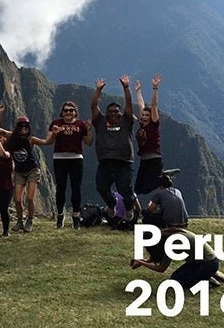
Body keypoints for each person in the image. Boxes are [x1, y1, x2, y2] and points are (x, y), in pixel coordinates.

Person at [0, 104, 47, 233]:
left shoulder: (30, 139)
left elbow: (46, 142)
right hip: (19, 172)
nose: (23, 128)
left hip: (32, 170)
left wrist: (54, 134)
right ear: (17, 127)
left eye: (25, 126)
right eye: (21, 126)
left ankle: (30, 220)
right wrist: (0, 113)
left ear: (28, 128)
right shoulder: (11, 137)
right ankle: (20, 220)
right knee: (17, 199)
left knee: (29, 198)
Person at [91, 75, 136, 222]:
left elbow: (129, 103)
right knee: (101, 187)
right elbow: (94, 106)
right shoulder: (100, 122)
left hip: (123, 162)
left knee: (125, 190)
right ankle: (112, 204)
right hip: (105, 162)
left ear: (120, 112)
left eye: (116, 111)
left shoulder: (126, 121)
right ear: (106, 113)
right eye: (110, 111)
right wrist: (98, 90)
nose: (113, 113)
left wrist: (126, 87)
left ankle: (129, 208)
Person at [131, 227, 224, 289]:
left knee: (178, 282)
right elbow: (160, 258)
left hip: (205, 264)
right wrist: (143, 261)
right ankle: (210, 273)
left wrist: (143, 263)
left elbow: (161, 269)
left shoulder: (171, 243)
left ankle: (207, 279)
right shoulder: (170, 234)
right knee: (176, 276)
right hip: (206, 261)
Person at [45, 101, 93, 229]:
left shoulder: (81, 124)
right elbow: (48, 141)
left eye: (71, 110)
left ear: (75, 112)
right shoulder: (56, 123)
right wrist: (54, 133)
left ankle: (76, 217)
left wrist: (88, 131)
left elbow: (89, 142)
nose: (68, 112)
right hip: (59, 158)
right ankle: (60, 215)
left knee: (75, 188)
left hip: (76, 158)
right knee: (60, 188)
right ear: (62, 112)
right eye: (66, 110)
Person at [134, 73, 164, 195]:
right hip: (144, 160)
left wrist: (155, 88)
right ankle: (162, 179)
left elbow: (154, 105)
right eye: (143, 115)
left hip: (154, 160)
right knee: (137, 189)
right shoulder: (142, 124)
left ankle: (163, 179)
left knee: (145, 189)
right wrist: (138, 92)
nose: (145, 116)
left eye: (147, 115)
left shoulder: (154, 124)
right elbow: (141, 105)